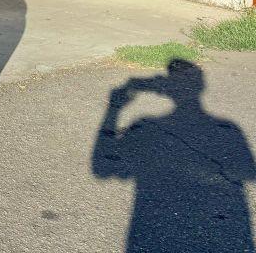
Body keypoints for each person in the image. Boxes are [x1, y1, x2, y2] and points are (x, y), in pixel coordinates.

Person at [92, 60, 256, 252]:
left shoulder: (144, 126)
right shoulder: (230, 130)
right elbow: (247, 173)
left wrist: (114, 109)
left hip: (152, 230)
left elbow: (102, 169)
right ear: (201, 86)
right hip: (229, 231)